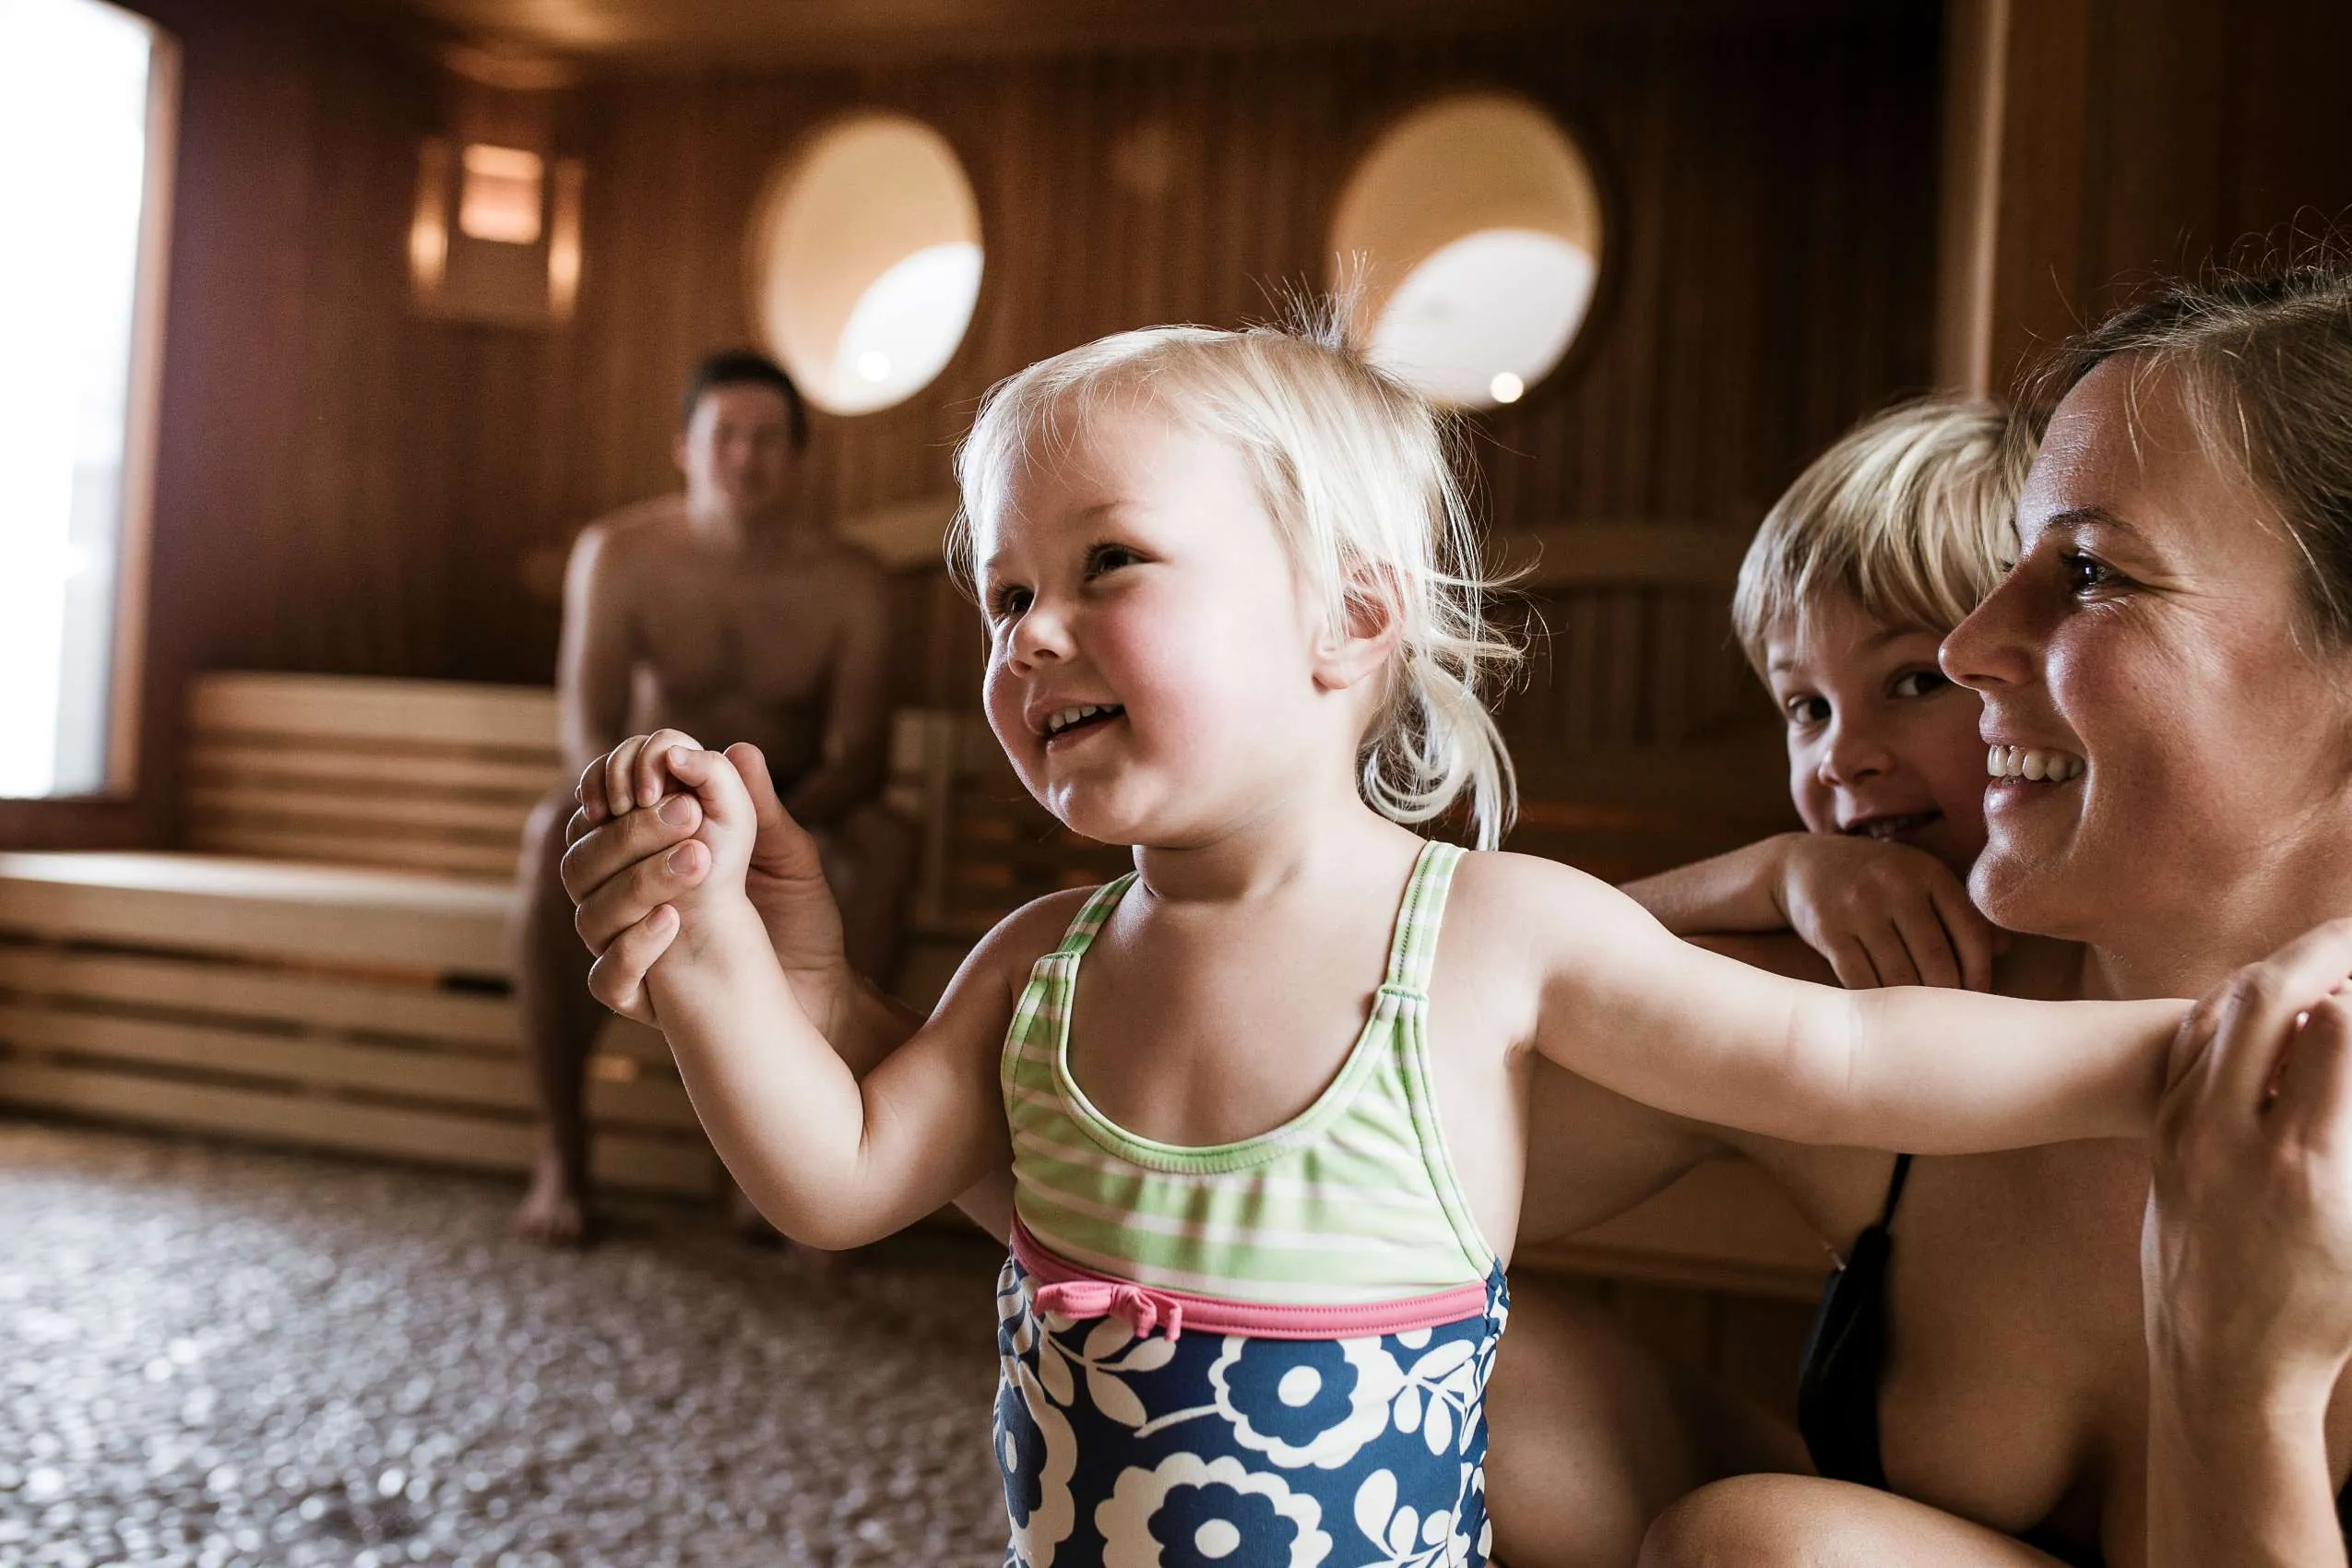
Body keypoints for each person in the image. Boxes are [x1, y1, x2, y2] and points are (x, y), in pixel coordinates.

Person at [556, 315, 2262, 1568]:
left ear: (1352, 617)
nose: (1033, 634)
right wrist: (722, 965)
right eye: (1004, 596)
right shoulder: (1035, 959)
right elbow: (843, 1176)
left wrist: (2199, 1055)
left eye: (1108, 565)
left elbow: (1842, 1053)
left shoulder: (1490, 933)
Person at [510, 350, 918, 1246]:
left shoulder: (849, 581)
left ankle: (810, 1164)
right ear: (685, 449)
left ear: (797, 457)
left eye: (769, 439)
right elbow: (587, 726)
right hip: (655, 805)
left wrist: (768, 828)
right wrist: (644, 815)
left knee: (888, 842)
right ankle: (563, 1156)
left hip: (796, 812)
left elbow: (867, 755)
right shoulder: (620, 556)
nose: (747, 456)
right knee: (551, 836)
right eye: (726, 435)